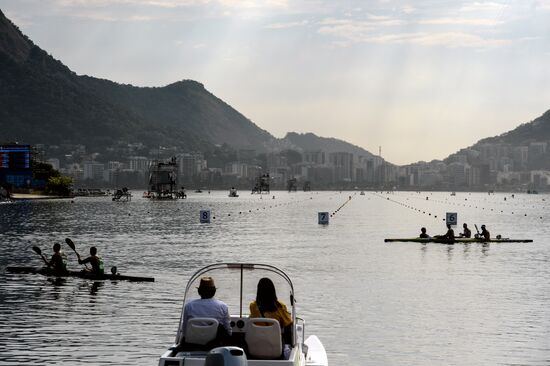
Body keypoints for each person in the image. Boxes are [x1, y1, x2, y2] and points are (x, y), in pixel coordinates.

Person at [181, 277, 231, 343]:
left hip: (193, 344)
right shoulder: (223, 306)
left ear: (199, 291)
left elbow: (185, 331)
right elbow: (228, 330)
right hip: (215, 345)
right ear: (214, 292)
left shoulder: (189, 306)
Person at [249, 277, 293, 345]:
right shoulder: (280, 306)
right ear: (273, 290)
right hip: (275, 345)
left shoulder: (253, 306)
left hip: (257, 345)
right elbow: (288, 325)